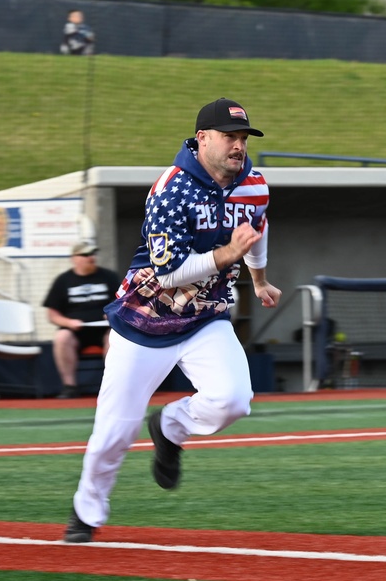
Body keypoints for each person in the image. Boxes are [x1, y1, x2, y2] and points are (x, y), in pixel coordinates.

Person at [64, 98, 281, 543]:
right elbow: (169, 273)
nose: (238, 146)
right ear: (202, 139)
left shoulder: (254, 183)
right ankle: (87, 513)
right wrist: (228, 255)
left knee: (235, 399)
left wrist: (258, 280)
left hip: (204, 318)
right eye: (229, 137)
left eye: (242, 138)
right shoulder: (172, 188)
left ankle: (169, 427)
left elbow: (258, 228)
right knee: (114, 433)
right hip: (145, 320)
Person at [42, 241, 121, 398]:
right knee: (61, 337)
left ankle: (116, 386)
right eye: (85, 255)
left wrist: (112, 314)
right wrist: (68, 323)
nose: (90, 258)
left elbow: (124, 303)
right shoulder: (63, 281)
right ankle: (69, 386)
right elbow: (52, 314)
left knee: (116, 338)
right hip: (76, 331)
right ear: (74, 258)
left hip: (104, 328)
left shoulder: (109, 277)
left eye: (92, 254)